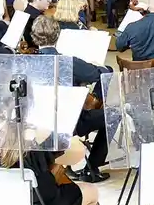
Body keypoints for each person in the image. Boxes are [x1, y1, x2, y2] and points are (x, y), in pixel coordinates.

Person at [30, 15, 110, 183]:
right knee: (113, 115)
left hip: (38, 123)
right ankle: (92, 166)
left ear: (34, 37)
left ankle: (72, 165)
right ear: (57, 35)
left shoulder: (28, 62)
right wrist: (96, 66)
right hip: (69, 122)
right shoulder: (67, 62)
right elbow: (103, 74)